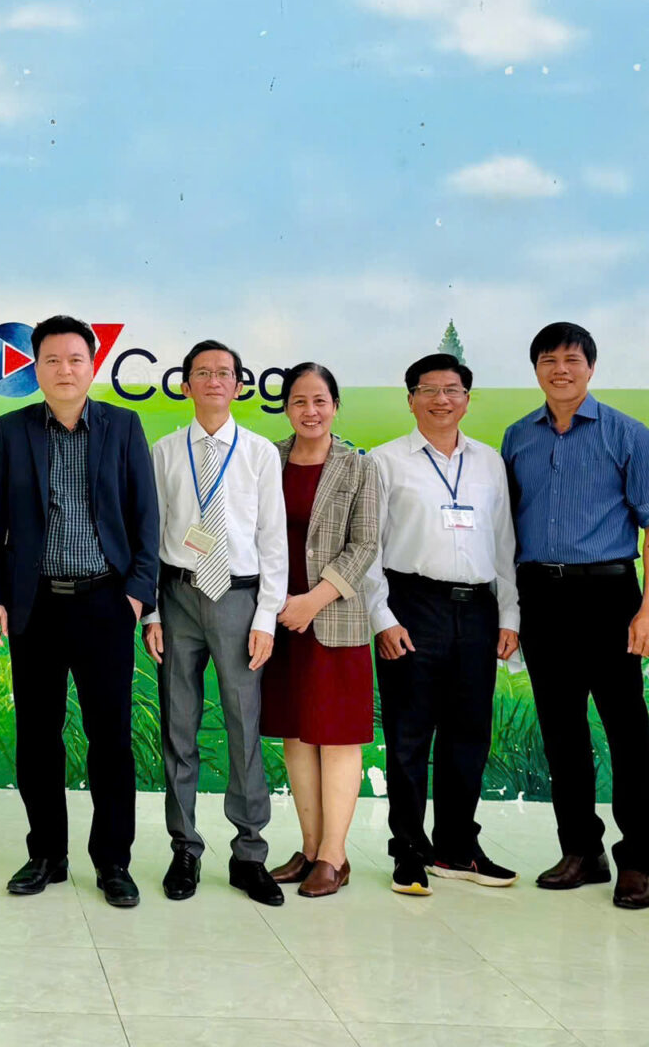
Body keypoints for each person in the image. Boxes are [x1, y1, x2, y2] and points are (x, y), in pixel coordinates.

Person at [0, 316, 160, 908]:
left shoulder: (123, 426)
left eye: (75, 359)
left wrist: (137, 595)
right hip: (35, 606)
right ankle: (46, 855)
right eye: (51, 360)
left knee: (111, 738)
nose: (64, 370)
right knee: (37, 736)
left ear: (92, 365)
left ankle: (113, 862)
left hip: (106, 603)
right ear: (35, 367)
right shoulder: (12, 430)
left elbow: (146, 516)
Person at [500, 322, 649, 909]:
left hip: (609, 596)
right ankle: (581, 850)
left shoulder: (628, 434)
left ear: (591, 368)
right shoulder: (518, 437)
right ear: (536, 369)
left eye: (572, 360)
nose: (561, 370)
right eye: (548, 360)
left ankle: (638, 863)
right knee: (561, 733)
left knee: (627, 732)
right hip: (541, 598)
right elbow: (507, 526)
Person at [361, 353, 522, 896]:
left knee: (468, 735)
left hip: (476, 609)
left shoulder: (489, 462)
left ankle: (457, 847)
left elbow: (504, 543)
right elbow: (369, 548)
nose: (441, 399)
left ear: (467, 400)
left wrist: (509, 615)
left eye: (452, 389)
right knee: (408, 737)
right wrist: (382, 618)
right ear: (410, 400)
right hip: (412, 605)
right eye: (428, 390)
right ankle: (409, 850)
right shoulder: (384, 462)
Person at [143, 340, 288, 907]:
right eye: (202, 373)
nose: (213, 381)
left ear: (239, 385)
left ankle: (249, 853)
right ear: (185, 385)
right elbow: (152, 535)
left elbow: (272, 540)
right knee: (179, 728)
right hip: (178, 597)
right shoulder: (164, 451)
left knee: (243, 727)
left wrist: (267, 617)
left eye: (224, 373)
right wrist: (153, 611)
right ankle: (185, 848)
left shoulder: (258, 453)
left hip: (238, 600)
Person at [260, 364, 381, 898]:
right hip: (278, 618)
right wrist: (282, 606)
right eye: (299, 401)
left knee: (336, 737)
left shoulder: (359, 466)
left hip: (332, 618)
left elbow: (365, 544)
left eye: (320, 401)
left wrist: (313, 600)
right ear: (286, 406)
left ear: (335, 405)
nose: (310, 411)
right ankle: (309, 850)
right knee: (296, 734)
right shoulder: (267, 459)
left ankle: (335, 855)